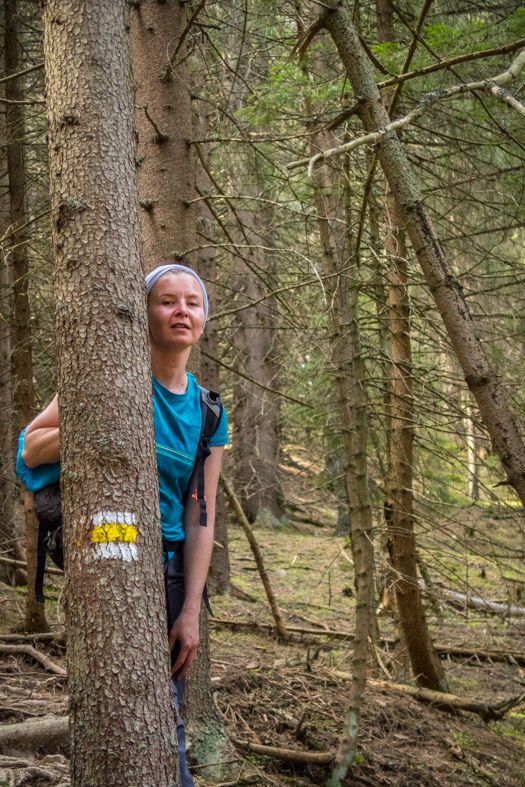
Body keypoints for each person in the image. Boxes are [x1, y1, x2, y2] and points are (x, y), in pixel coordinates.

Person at [16, 264, 227, 787]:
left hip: (173, 568)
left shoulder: (208, 411)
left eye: (192, 303)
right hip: (110, 551)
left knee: (164, 715)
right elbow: (30, 451)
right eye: (167, 301)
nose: (181, 311)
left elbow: (202, 513)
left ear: (204, 316)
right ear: (144, 312)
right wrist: (100, 419)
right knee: (118, 707)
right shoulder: (111, 376)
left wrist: (192, 611)